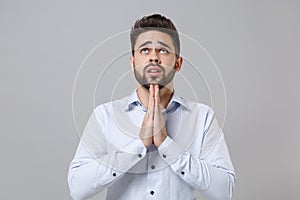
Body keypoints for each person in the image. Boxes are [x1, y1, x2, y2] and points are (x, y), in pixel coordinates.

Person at [68, 14, 235, 200]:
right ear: (133, 62)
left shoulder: (203, 117)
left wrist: (167, 145)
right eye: (145, 50)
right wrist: (138, 145)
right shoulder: (105, 115)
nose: (154, 57)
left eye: (163, 51)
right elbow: (77, 188)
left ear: (178, 63)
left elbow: (223, 191)